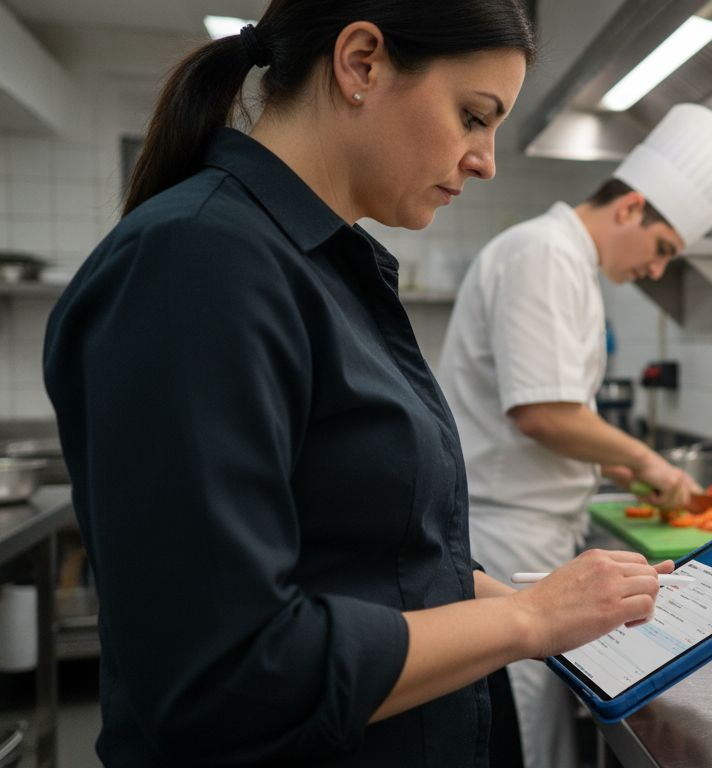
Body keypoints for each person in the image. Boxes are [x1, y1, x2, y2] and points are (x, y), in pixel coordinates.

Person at [41, 2, 673, 766]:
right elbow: (226, 677)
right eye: (474, 116)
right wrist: (530, 621)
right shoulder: (196, 263)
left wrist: (558, 610)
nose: (487, 160)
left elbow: (374, 561)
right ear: (361, 63)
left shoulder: (323, 267)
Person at [434, 103, 712, 768]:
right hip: (508, 537)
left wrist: (617, 470)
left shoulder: (567, 264)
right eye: (663, 249)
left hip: (535, 532)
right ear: (631, 207)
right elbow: (543, 414)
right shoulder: (543, 254)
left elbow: (552, 419)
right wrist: (647, 461)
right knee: (522, 737)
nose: (658, 270)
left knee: (544, 733)